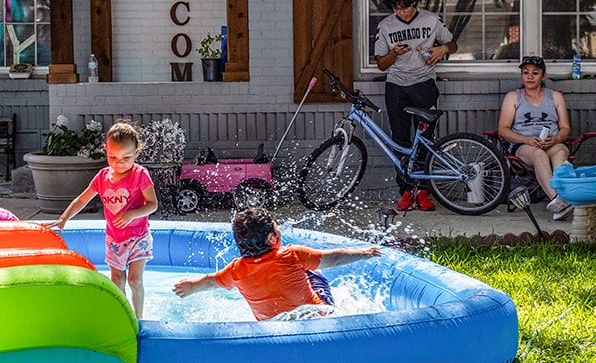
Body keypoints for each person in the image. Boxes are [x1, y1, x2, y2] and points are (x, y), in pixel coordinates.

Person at [172, 208, 382, 321]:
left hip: (272, 327)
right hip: (317, 318)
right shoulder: (292, 255)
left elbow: (210, 282)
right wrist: (363, 253)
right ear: (272, 238)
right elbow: (333, 258)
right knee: (315, 273)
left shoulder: (236, 270)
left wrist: (191, 286)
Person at [51, 121, 158, 319]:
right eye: (113, 157)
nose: (119, 163)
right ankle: (125, 318)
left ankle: (140, 318)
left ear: (137, 152)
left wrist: (131, 214)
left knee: (134, 280)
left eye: (126, 157)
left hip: (138, 237)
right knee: (117, 280)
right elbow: (82, 199)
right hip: (114, 239)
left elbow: (153, 204)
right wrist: (64, 218)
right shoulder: (102, 177)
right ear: (105, 150)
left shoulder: (140, 174)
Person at [373, 0, 459, 212]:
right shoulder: (386, 26)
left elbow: (453, 44)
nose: (400, 12)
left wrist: (442, 50)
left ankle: (423, 192)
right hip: (397, 86)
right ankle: (405, 192)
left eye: (405, 7)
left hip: (424, 84)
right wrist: (394, 53)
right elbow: (381, 64)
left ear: (414, 3)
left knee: (426, 139)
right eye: (396, 8)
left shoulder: (431, 20)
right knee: (400, 139)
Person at [497, 56, 573, 220]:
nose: (529, 77)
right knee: (539, 154)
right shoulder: (513, 97)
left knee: (560, 153)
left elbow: (566, 128)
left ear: (543, 76)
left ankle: (562, 199)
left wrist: (557, 138)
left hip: (552, 142)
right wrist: (527, 139)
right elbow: (503, 130)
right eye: (526, 73)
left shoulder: (555, 96)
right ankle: (557, 200)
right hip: (524, 145)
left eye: (535, 73)